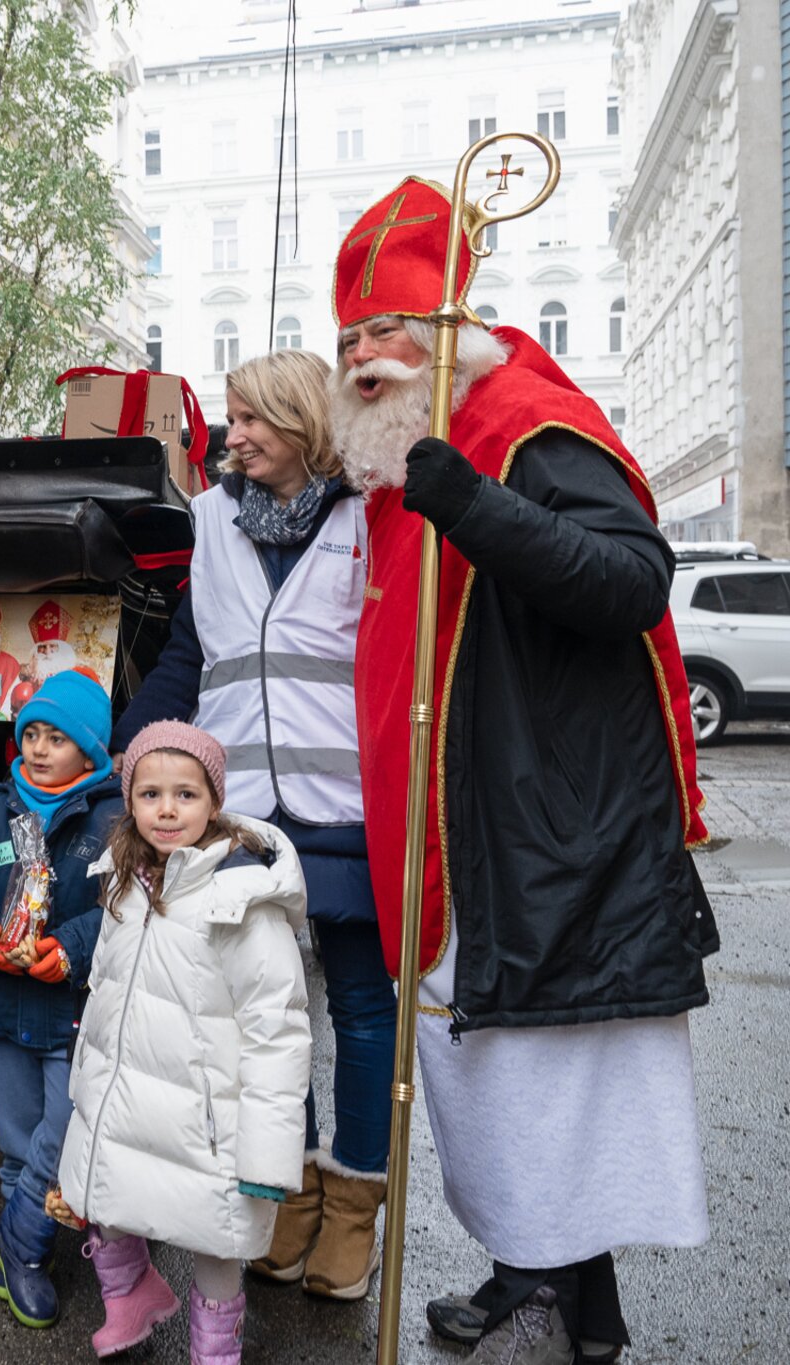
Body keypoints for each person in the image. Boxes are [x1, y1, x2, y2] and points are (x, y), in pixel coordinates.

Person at [331, 176, 715, 1364]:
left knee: (543, 1093)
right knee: (493, 1090)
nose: (359, 357)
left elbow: (624, 584)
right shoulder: (399, 455)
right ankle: (545, 1294)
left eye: (383, 331)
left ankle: (547, 1308)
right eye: (346, 338)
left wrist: (460, 493)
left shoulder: (528, 425)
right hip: (463, 838)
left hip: (540, 840)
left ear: (448, 326)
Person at [111, 348, 392, 1300]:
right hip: (243, 823)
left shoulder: (368, 515)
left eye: (251, 420)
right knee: (269, 1013)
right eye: (231, 419)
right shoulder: (211, 520)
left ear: (304, 422)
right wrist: (132, 744)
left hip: (346, 803)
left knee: (355, 1006)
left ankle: (356, 1204)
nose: (233, 437)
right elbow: (191, 649)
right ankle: (294, 1190)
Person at [60, 721, 310, 1364]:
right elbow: (106, 988)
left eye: (185, 794)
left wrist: (267, 1153)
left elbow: (276, 1030)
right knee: (104, 1196)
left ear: (214, 803)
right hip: (125, 1095)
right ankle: (131, 1295)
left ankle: (215, 1352)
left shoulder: (240, 902)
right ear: (129, 801)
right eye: (150, 795)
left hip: (210, 1120)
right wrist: (86, 1079)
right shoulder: (124, 880)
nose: (166, 810)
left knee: (215, 1241)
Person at [0, 669, 122, 1329]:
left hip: (69, 1009)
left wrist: (69, 948)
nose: (40, 749)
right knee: (18, 1138)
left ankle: (21, 1240)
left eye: (58, 738)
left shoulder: (109, 816)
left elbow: (122, 905)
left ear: (92, 752)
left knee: (68, 1125)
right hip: (1, 1004)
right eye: (32, 734)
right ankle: (25, 1253)